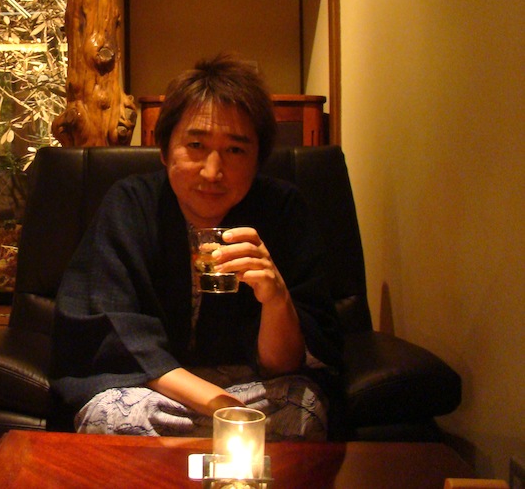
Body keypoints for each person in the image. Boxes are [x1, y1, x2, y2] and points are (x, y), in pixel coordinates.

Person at [49, 54, 342, 440]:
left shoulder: (284, 209)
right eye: (196, 145)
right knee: (113, 417)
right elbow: (113, 331)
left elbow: (284, 366)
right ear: (164, 150)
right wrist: (223, 409)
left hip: (253, 387)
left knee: (301, 412)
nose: (212, 171)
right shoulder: (130, 204)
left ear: (258, 159)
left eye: (235, 150)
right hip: (152, 387)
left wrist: (276, 299)